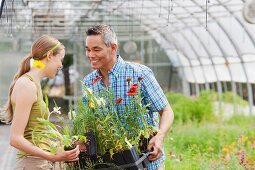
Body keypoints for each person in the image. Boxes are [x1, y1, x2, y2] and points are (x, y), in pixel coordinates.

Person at [82, 24, 174, 170]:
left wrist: (160, 136)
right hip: (111, 164)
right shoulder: (88, 82)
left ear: (113, 48)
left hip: (146, 162)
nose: (90, 55)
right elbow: (90, 122)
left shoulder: (139, 74)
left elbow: (166, 111)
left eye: (96, 49)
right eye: (87, 50)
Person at [1, 35, 80, 169]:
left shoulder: (34, 84)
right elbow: (15, 138)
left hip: (38, 162)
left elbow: (37, 130)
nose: (61, 65)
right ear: (49, 55)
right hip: (32, 163)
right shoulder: (27, 85)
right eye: (60, 59)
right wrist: (52, 156)